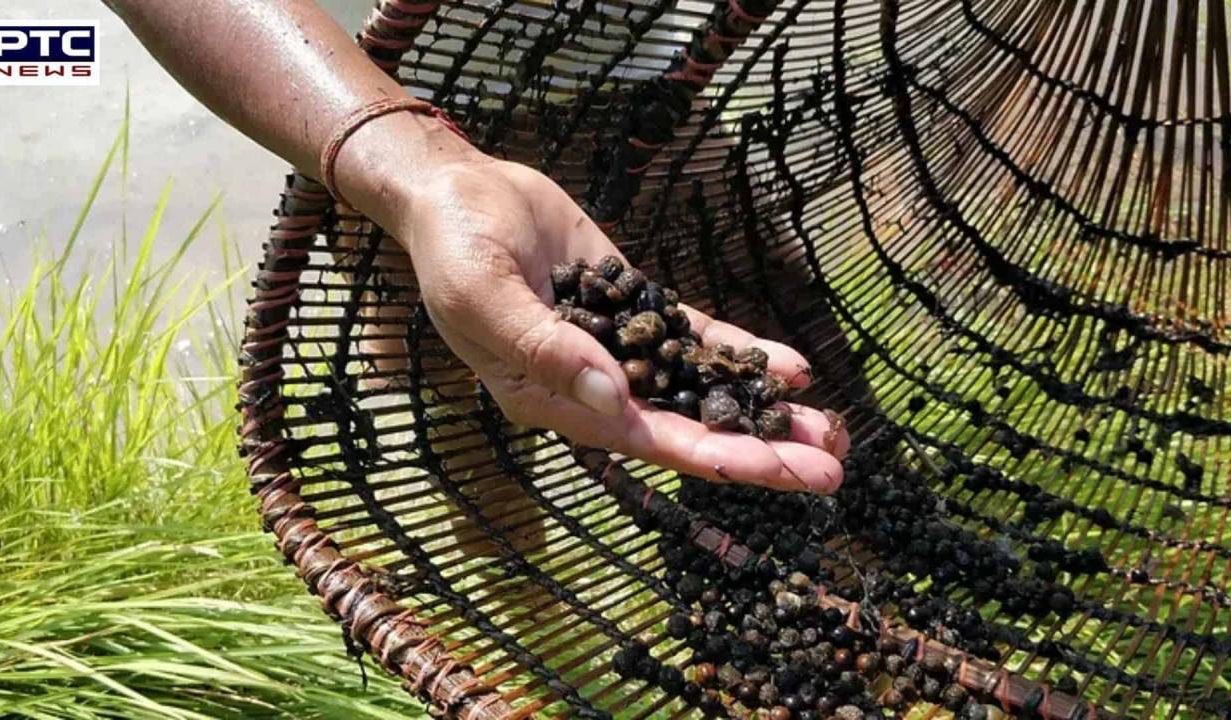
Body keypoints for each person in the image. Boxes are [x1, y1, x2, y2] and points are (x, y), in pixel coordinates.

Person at [107, 0, 848, 497]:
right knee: (470, 446)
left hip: (657, 84)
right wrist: (415, 168)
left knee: (795, 381)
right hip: (362, 109)